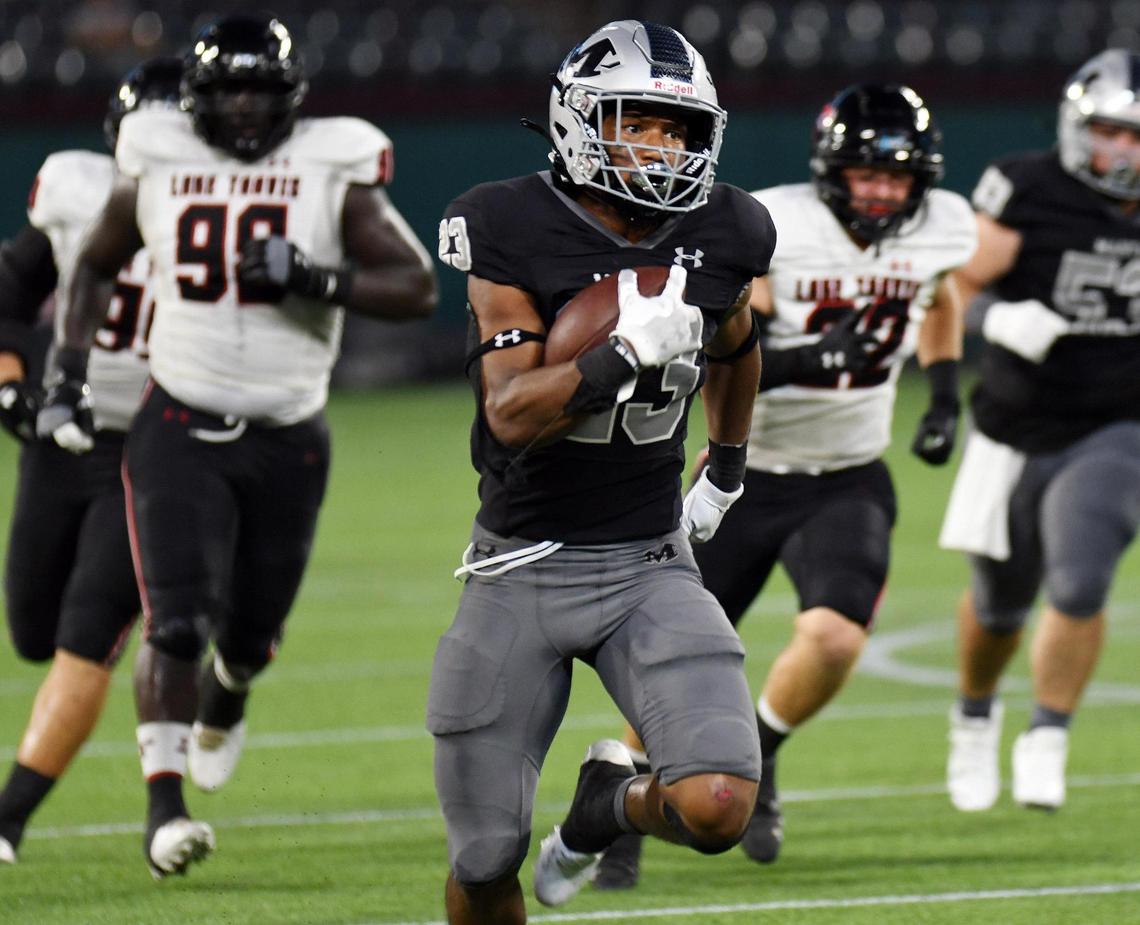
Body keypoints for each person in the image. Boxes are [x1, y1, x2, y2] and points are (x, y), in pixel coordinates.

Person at [37, 12, 437, 878]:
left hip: (289, 432)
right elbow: (97, 263)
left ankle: (236, 686)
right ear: (198, 99)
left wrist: (313, 274)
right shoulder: (160, 151)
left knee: (248, 636)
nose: (249, 110)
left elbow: (415, 286)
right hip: (178, 420)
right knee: (175, 619)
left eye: (264, 91)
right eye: (232, 91)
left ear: (291, 100)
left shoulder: (333, 164)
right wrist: (65, 372)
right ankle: (163, 811)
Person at [431, 19, 774, 923]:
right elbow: (509, 414)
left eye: (677, 129)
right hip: (519, 567)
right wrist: (616, 357)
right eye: (638, 122)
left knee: (718, 803)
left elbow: (737, 345)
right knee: (485, 855)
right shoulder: (505, 222)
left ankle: (607, 804)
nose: (662, 147)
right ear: (579, 119)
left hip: (646, 564)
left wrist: (725, 466)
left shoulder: (728, 229)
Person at [595, 83, 978, 887]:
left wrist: (944, 393)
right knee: (677, 659)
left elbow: (940, 298)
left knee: (837, 636)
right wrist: (810, 358)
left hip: (848, 475)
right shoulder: (776, 224)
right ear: (831, 170)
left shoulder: (946, 225)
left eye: (897, 177)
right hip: (744, 474)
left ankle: (760, 751)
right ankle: (629, 790)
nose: (880, 190)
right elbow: (722, 347)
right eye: (866, 174)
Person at [940, 48, 1140, 813]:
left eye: (1137, 135)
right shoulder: (1028, 188)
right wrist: (998, 316)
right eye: (1111, 130)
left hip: (1117, 423)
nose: (1123, 149)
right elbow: (950, 290)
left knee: (1083, 577)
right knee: (998, 605)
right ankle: (973, 715)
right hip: (1013, 426)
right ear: (1077, 124)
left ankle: (1049, 733)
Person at [0, 57, 183, 866]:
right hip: (62, 431)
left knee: (86, 634)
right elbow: (8, 289)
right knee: (34, 629)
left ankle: (6, 819)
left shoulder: (229, 207)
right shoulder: (74, 189)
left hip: (152, 450)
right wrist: (9, 381)